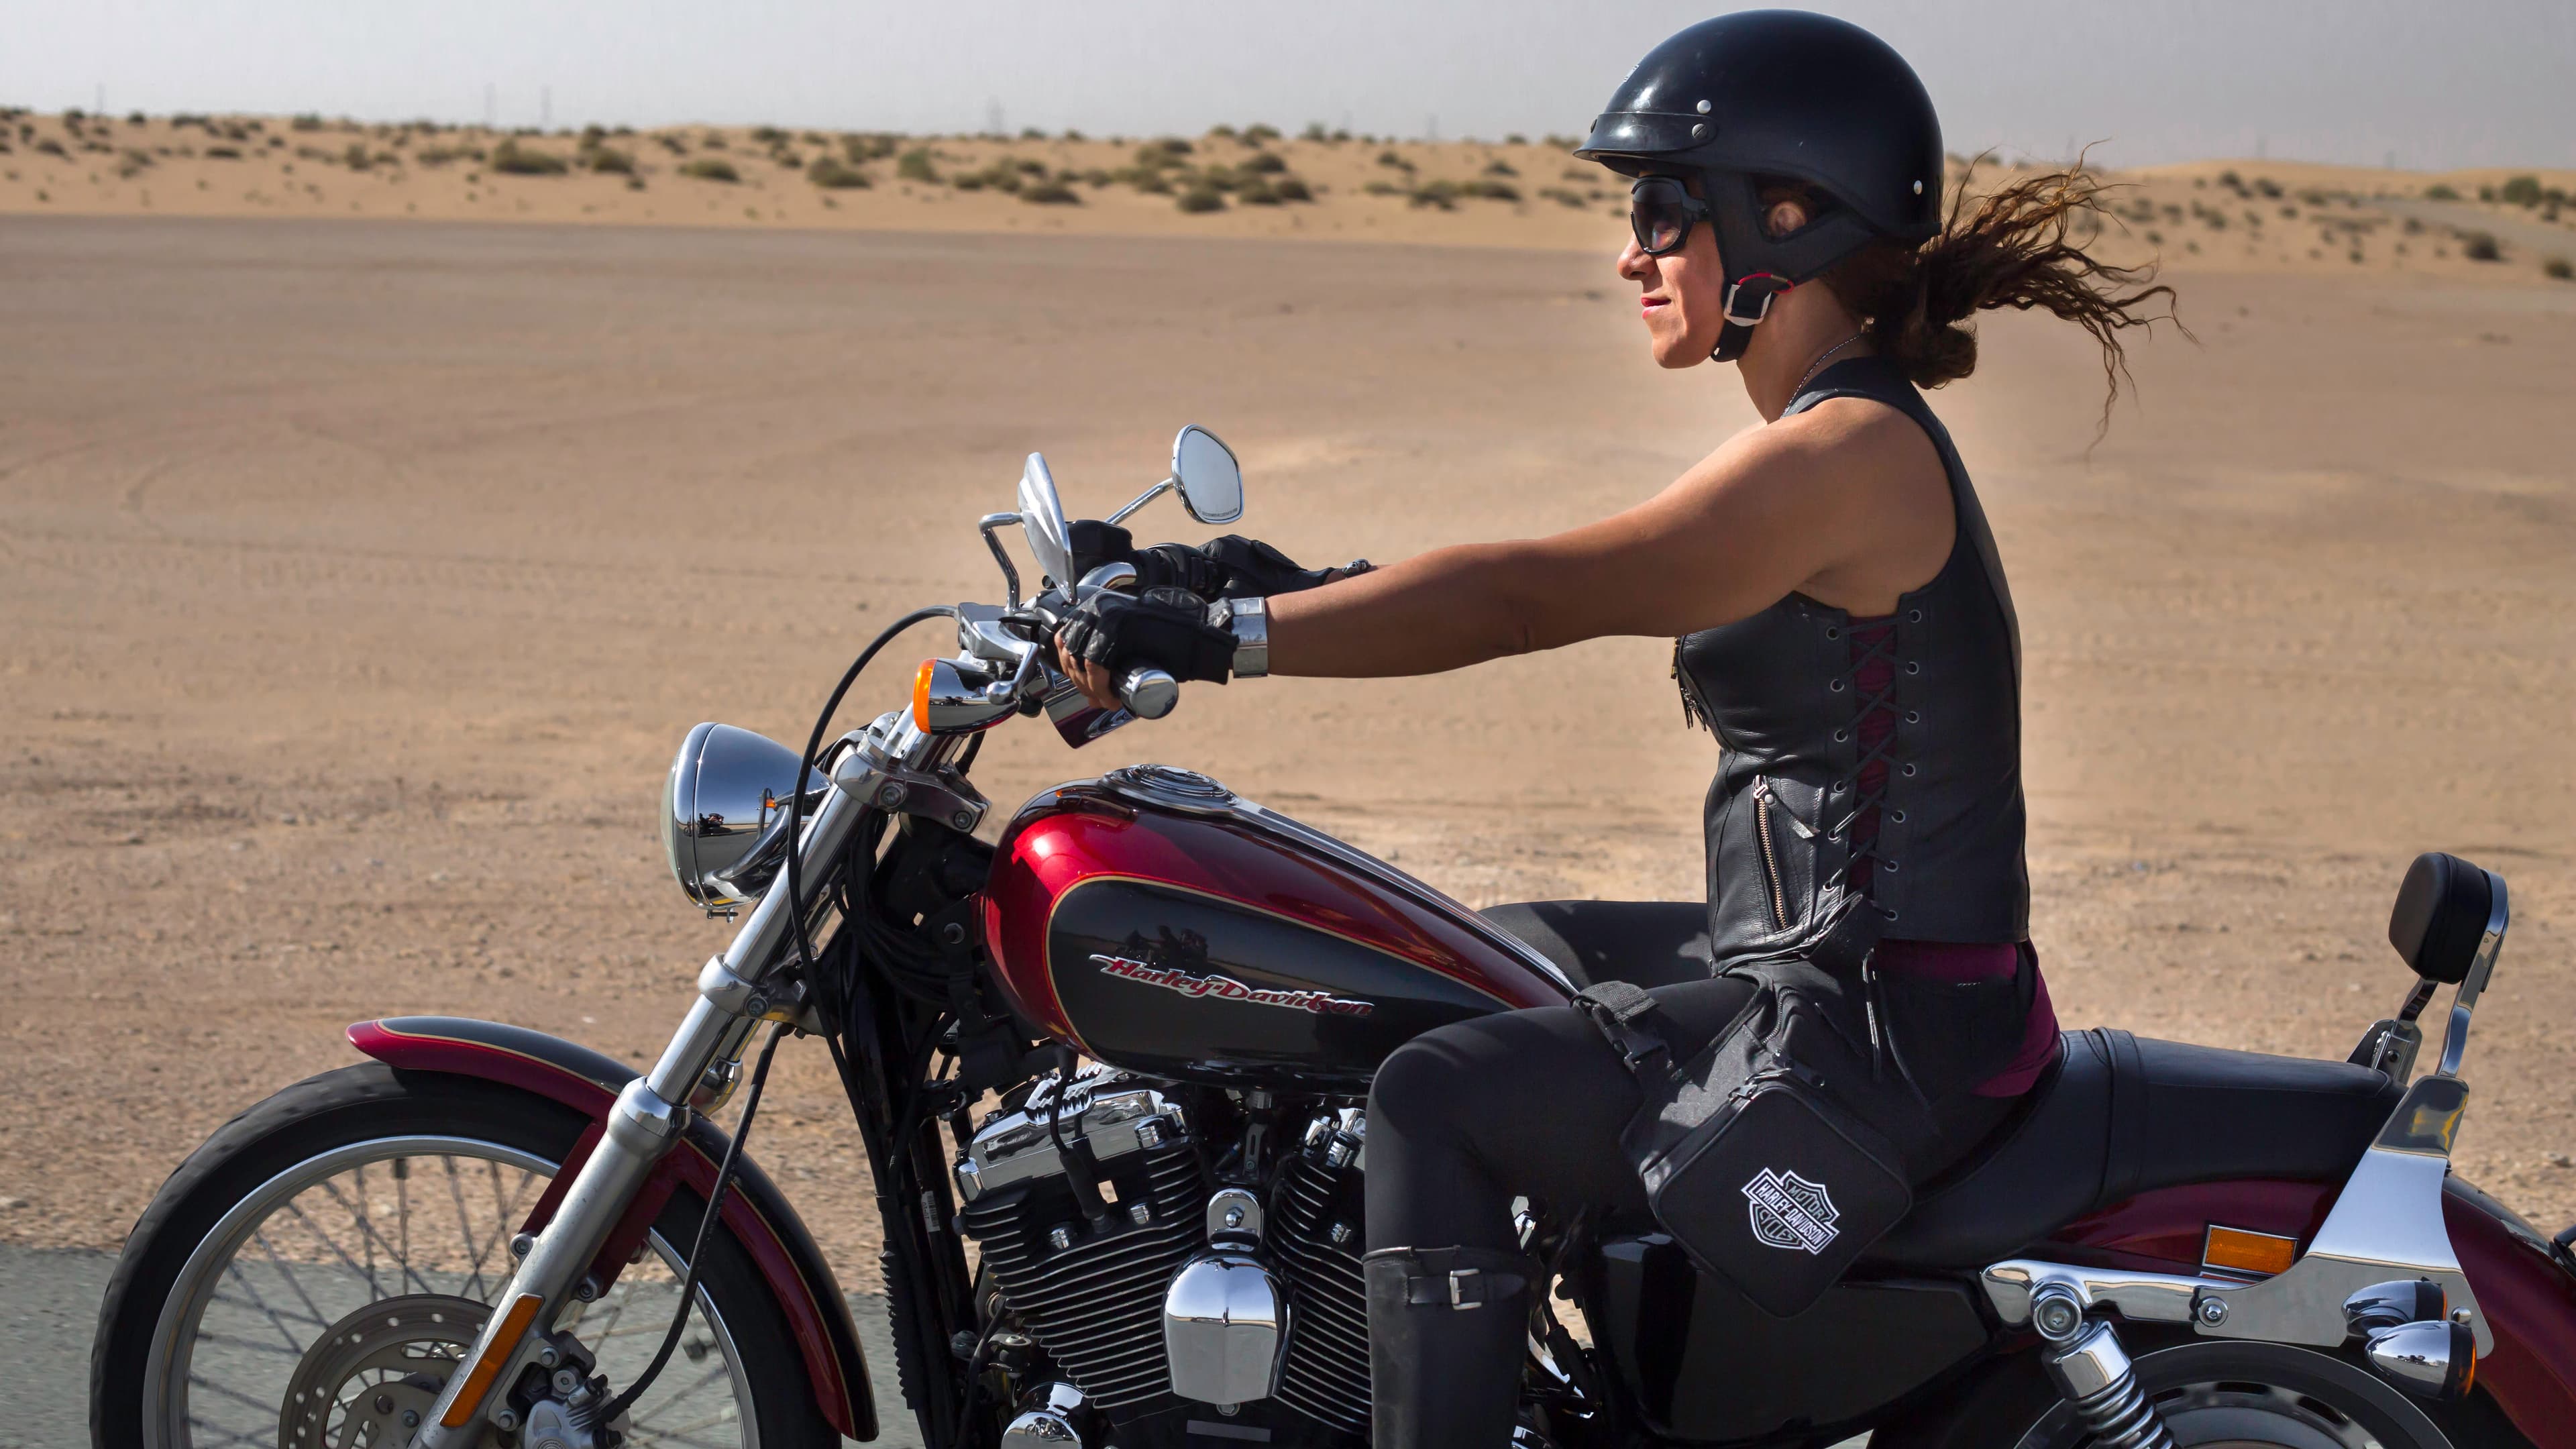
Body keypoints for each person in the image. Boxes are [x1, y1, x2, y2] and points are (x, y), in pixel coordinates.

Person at [1053, 13, 2176, 1446]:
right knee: (1462, 961)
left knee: (1433, 1098)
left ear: (1783, 219)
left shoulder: (1848, 456)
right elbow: (1542, 577)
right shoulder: (1826, 436)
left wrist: (1233, 640)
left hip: (1884, 1022)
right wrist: (1251, 583)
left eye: (1661, 211)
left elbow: (1536, 595)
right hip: (1829, 961)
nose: (1632, 254)